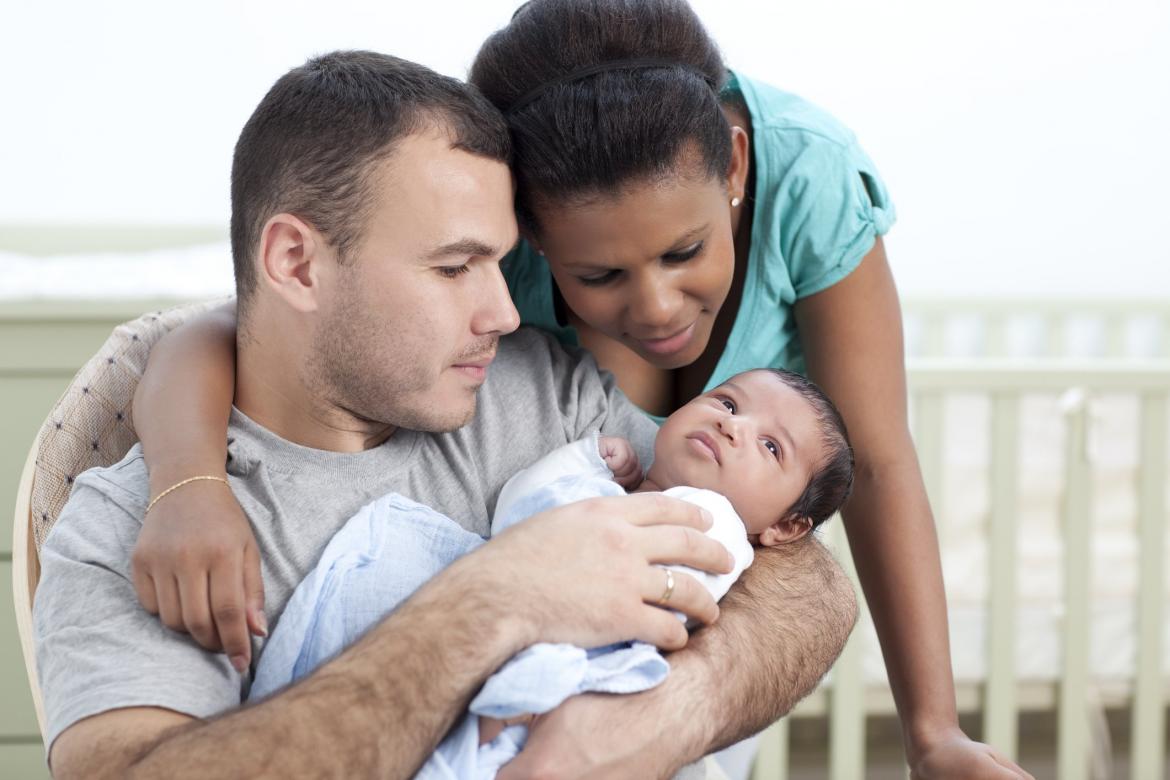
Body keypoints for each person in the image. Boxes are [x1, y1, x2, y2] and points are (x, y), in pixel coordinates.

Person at [128, 4, 1032, 777]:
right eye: (596, 275)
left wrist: (933, 731)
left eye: (686, 253)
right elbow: (232, 326)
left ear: (735, 168)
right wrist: (187, 480)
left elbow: (870, 461)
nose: (658, 308)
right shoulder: (500, 251)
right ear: (529, 230)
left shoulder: (807, 178)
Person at [33, 50, 857, 780]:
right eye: (456, 266)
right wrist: (498, 598)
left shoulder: (549, 395)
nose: (504, 312)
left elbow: (810, 583)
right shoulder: (139, 530)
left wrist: (665, 716)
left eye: (500, 263)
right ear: (296, 262)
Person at [248, 367, 855, 779]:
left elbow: (605, 600)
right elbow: (522, 515)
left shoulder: (716, 529)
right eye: (727, 401)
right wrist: (585, 461)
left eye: (771, 448)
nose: (732, 425)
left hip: (576, 672)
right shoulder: (615, 474)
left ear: (787, 529)